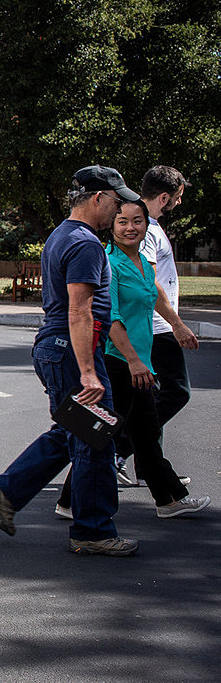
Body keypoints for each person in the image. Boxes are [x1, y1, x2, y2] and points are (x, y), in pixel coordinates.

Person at [0, 165, 140, 557]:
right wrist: (88, 372)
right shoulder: (85, 243)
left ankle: (8, 489)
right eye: (116, 202)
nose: (118, 211)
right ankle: (93, 531)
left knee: (76, 430)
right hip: (71, 349)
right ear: (98, 197)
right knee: (95, 438)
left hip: (55, 347)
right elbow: (79, 310)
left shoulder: (60, 234)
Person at [54, 198, 209, 520]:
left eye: (137, 221)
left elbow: (154, 293)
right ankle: (70, 501)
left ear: (146, 225)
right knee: (103, 433)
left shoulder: (142, 262)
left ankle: (168, 500)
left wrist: (177, 325)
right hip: (118, 361)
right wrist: (134, 361)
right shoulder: (109, 262)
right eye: (122, 221)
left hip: (139, 362)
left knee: (143, 434)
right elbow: (111, 318)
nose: (130, 228)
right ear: (112, 225)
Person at [128, 166, 201, 477]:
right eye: (178, 198)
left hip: (152, 326)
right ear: (164, 196)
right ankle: (119, 447)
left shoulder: (148, 224)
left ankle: (149, 466)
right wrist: (177, 323)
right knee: (176, 391)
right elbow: (148, 280)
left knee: (148, 398)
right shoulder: (146, 228)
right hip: (155, 327)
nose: (179, 203)